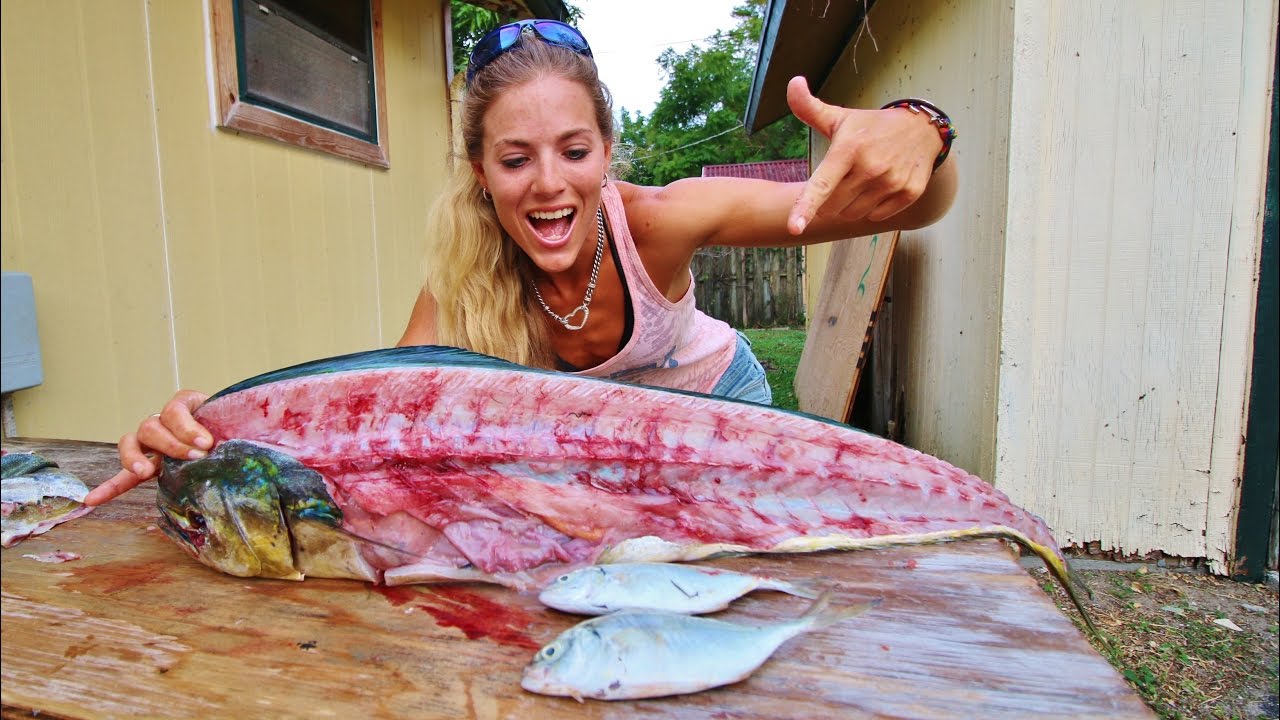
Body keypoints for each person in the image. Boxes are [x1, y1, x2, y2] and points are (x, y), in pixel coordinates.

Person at [86, 19, 957, 506]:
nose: (550, 186)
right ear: (479, 171)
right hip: (597, 452)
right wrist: (210, 434)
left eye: (574, 150)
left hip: (717, 413)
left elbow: (916, 202)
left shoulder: (660, 219)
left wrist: (923, 130)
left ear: (608, 150)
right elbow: (379, 422)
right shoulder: (462, 277)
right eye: (515, 161)